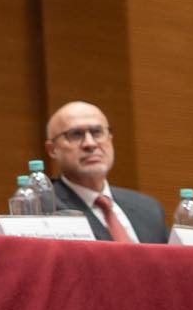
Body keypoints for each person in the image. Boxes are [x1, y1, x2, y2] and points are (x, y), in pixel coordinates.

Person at [43, 101, 167, 243]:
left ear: (110, 139)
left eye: (97, 132)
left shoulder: (148, 208)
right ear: (52, 150)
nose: (90, 143)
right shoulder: (44, 209)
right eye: (75, 134)